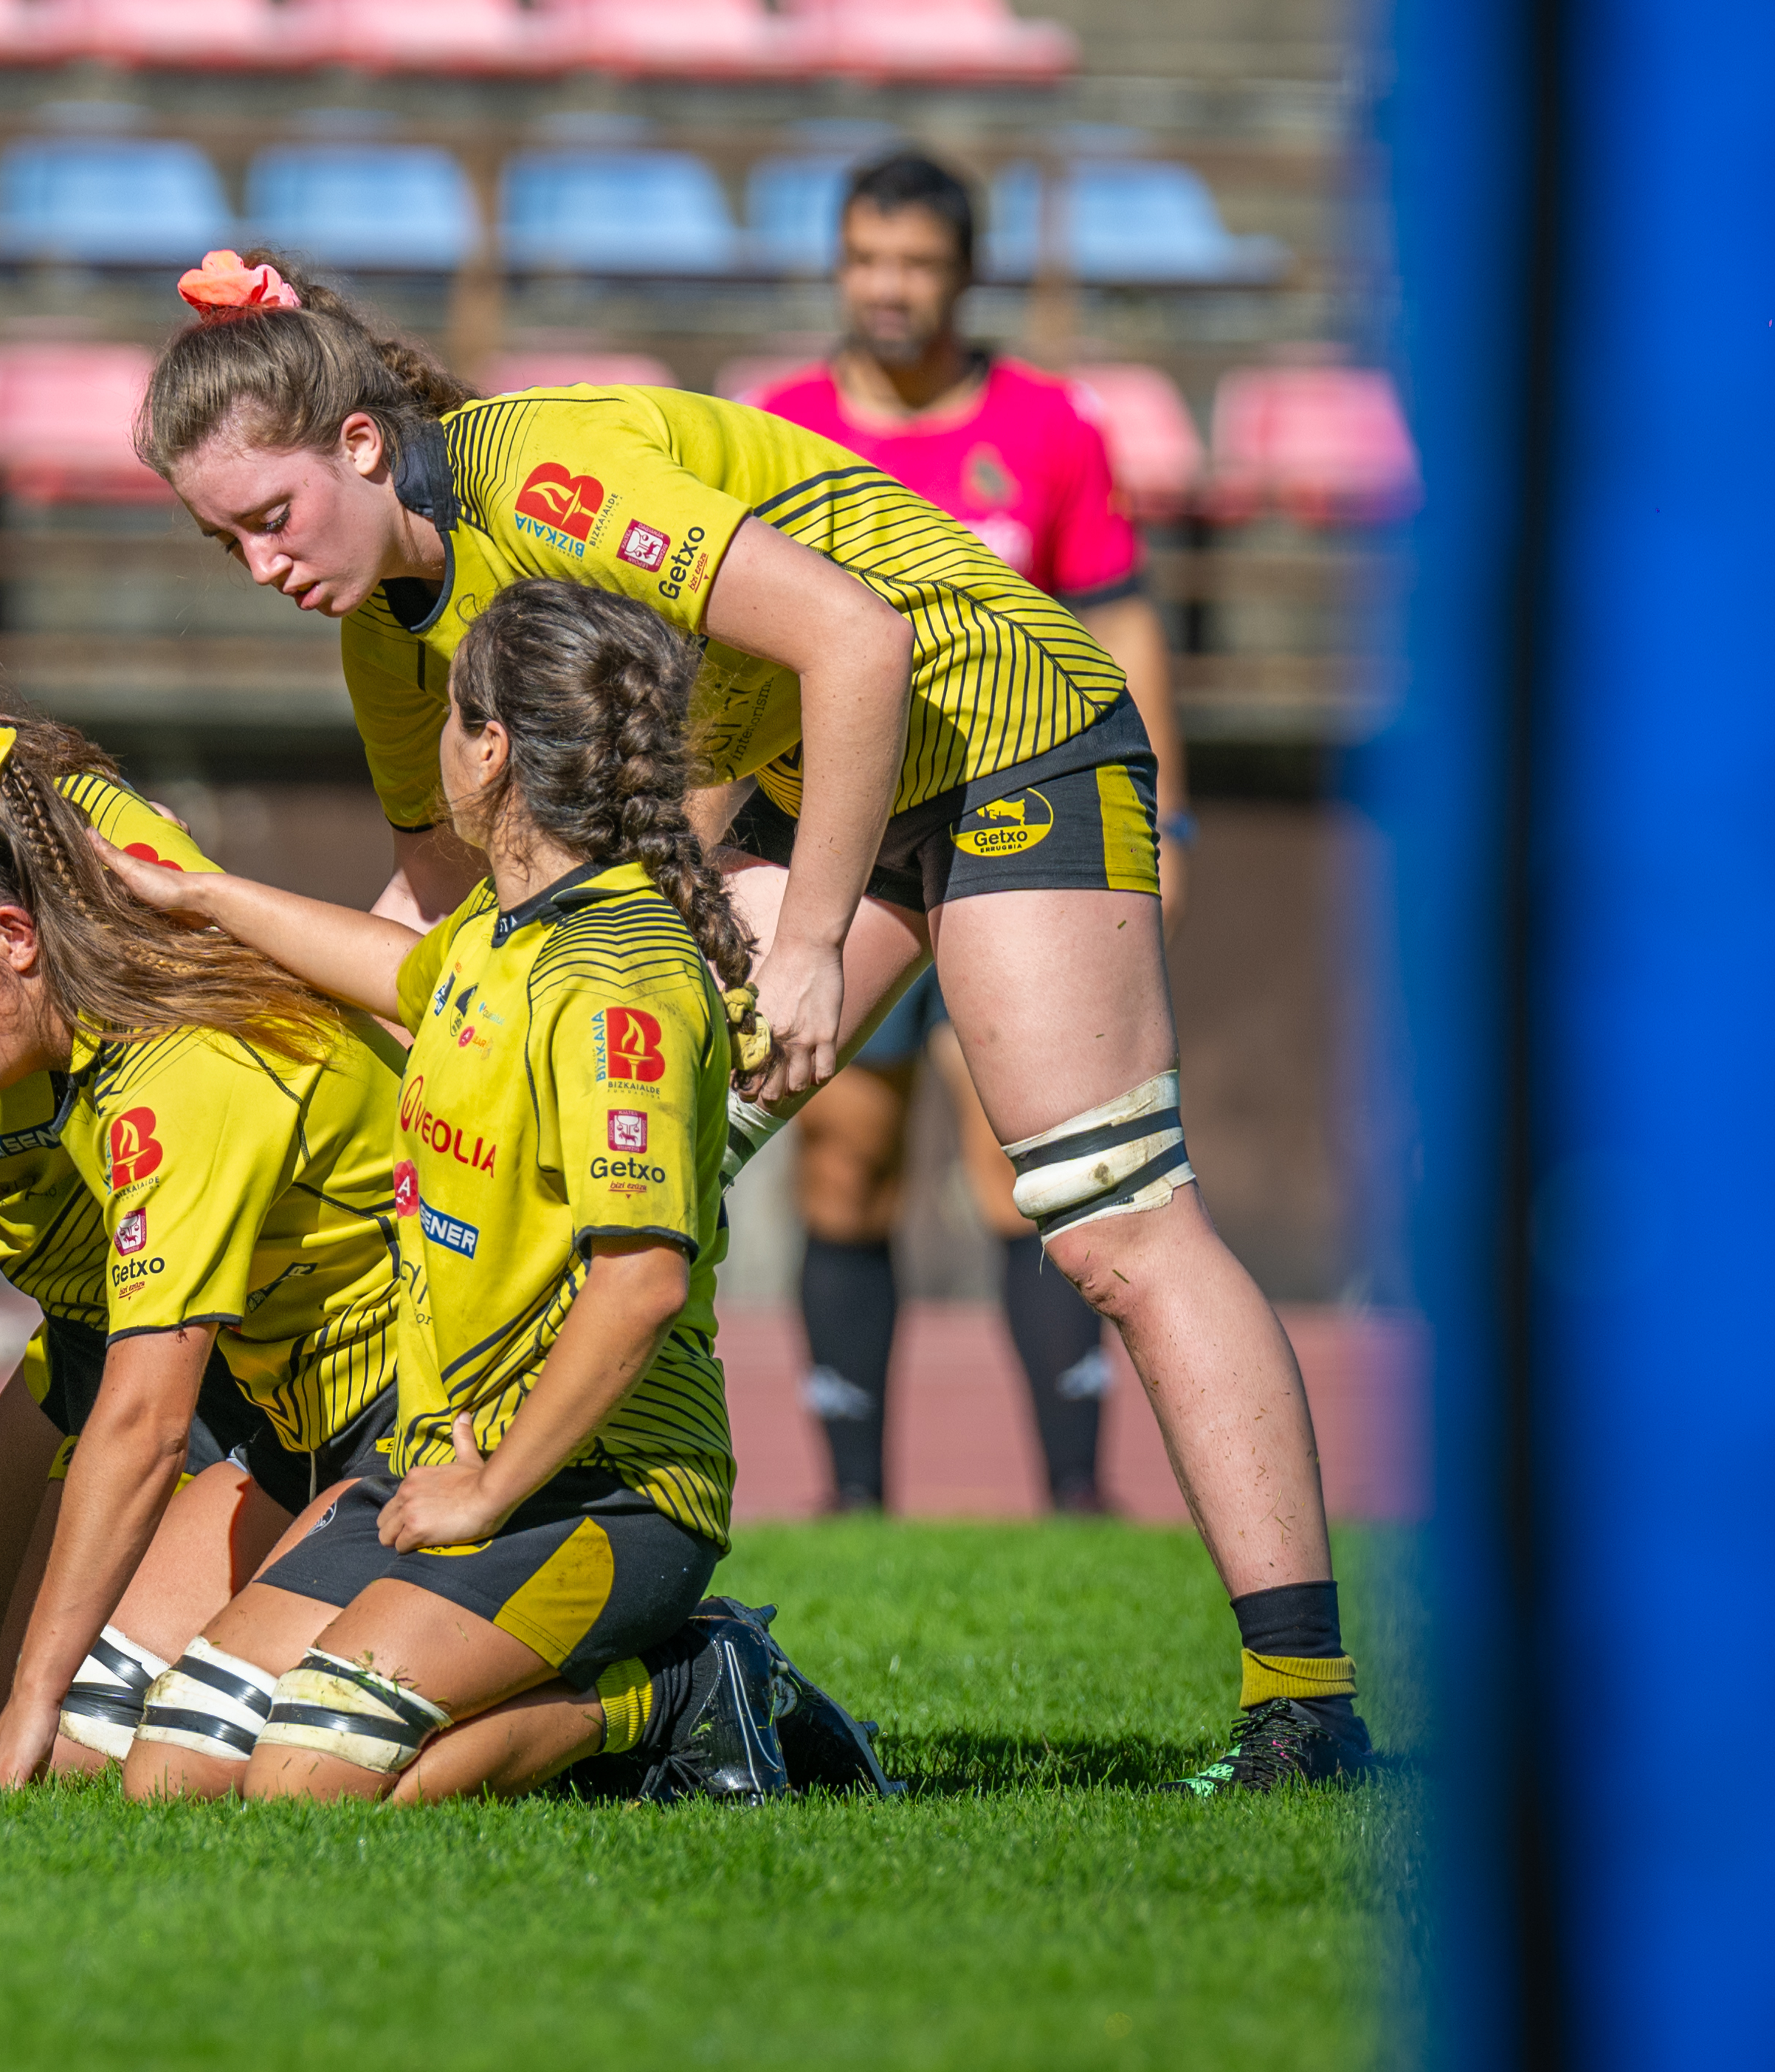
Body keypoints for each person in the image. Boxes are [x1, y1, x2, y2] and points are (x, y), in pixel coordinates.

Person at [134, 247, 1367, 1792]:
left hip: (999, 726)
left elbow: (860, 638)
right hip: (820, 768)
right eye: (217, 539)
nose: (258, 562)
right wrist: (265, 1055)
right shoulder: (385, 628)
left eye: (268, 515)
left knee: (1109, 1217)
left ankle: (1300, 1704)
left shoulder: (552, 479)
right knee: (617, 1142)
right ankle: (643, 1638)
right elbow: (441, 925)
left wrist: (807, 938)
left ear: (361, 443)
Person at [100, 582, 829, 1806]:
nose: (436, 739)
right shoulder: (506, 928)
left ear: (490, 747)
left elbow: (642, 1282)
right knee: (171, 1770)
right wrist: (203, 895)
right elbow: (400, 969)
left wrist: (490, 1490)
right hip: (437, 1460)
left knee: (306, 1782)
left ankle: (690, 1685)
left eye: (449, 712)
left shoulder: (616, 977)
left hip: (601, 1489)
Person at [0, 643, 405, 1790]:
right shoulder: (41, 974)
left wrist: (31, 1704)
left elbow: (144, 1422)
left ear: (17, 935)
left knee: (97, 1753)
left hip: (388, 1404)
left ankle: (674, 1678)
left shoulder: (175, 1067)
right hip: (264, 1401)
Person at [750, 149, 1173, 1512]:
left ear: (964, 273)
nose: (890, 288)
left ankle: (1073, 1495)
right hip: (849, 845)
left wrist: (1159, 822)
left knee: (1027, 1169)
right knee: (845, 1152)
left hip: (1020, 837)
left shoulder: (1050, 426)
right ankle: (854, 1499)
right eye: (868, 259)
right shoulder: (785, 424)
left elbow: (1117, 628)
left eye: (918, 263)